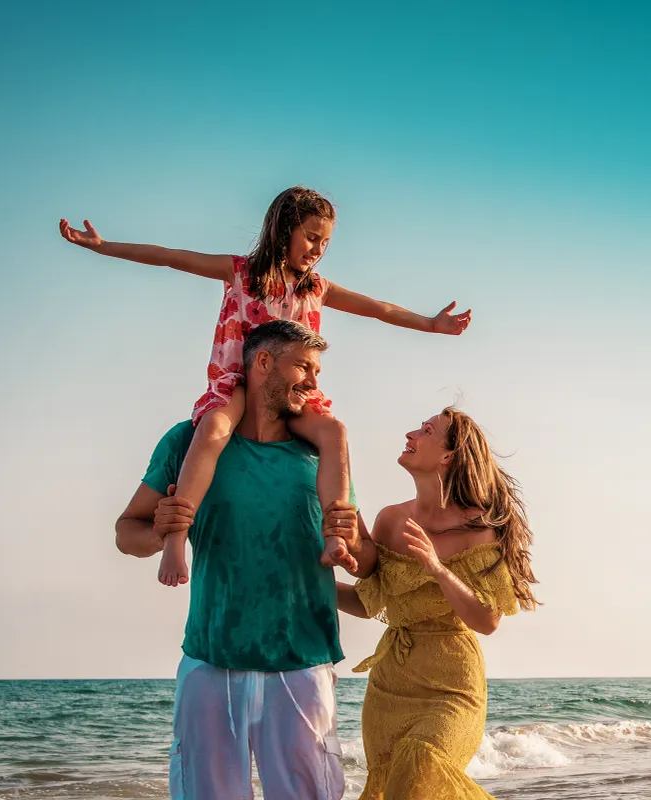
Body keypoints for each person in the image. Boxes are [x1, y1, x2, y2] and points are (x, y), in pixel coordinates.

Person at [62, 186, 471, 587]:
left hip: (295, 392)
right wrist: (103, 247)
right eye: (311, 237)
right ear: (283, 230)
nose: (317, 249)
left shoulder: (318, 289)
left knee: (335, 432)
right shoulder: (241, 272)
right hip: (240, 382)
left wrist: (431, 324)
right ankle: (175, 539)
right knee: (213, 430)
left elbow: (380, 309)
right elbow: (172, 258)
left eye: (325, 242)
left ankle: (335, 537)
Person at [114, 319, 371, 800]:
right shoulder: (189, 441)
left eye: (318, 371)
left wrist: (355, 541)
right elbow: (127, 532)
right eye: (304, 367)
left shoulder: (321, 453)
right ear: (264, 363)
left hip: (303, 660)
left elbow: (366, 553)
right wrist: (162, 531)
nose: (315, 384)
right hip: (212, 659)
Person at [336, 407, 541, 799]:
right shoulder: (391, 520)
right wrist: (304, 582)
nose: (411, 433)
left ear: (448, 456)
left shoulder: (479, 530)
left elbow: (487, 620)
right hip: (390, 684)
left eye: (426, 431)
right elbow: (367, 603)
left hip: (453, 686)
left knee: (422, 758)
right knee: (393, 788)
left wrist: (436, 568)